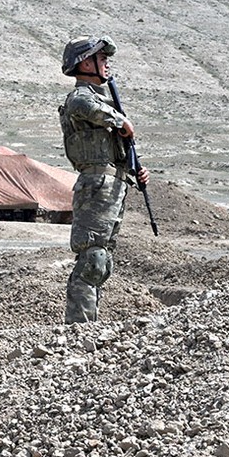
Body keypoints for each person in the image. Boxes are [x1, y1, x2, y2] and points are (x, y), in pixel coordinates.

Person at [58, 35, 151, 324]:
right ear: (86, 62)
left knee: (102, 262)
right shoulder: (82, 98)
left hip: (113, 185)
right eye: (102, 59)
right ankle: (79, 329)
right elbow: (85, 107)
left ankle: (89, 325)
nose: (107, 65)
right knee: (92, 260)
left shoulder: (102, 101)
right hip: (96, 186)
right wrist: (121, 121)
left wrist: (135, 168)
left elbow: (112, 147)